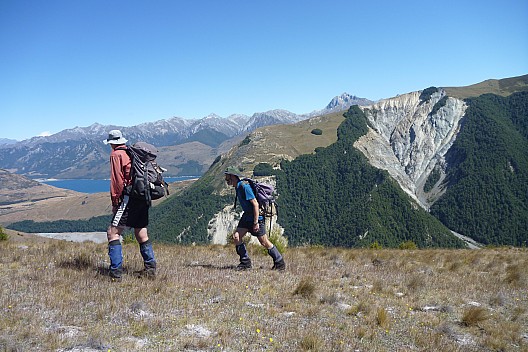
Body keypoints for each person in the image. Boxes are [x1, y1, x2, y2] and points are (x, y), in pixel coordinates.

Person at [103, 130, 157, 280]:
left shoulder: (116, 155)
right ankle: (150, 268)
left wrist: (115, 202)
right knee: (141, 232)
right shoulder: (132, 152)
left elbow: (117, 181)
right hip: (142, 196)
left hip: (128, 198)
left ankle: (115, 273)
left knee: (113, 233)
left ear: (112, 143)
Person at [224, 166, 285, 271]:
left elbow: (255, 204)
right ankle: (245, 262)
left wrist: (256, 222)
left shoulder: (244, 187)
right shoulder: (238, 186)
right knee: (236, 237)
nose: (226, 179)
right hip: (247, 216)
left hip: (256, 217)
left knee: (264, 242)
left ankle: (279, 262)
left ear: (232, 176)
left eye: (227, 176)